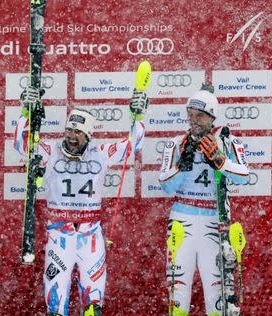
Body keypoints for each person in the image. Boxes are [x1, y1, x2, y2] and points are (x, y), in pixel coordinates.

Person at [14, 86, 148, 316]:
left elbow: (132, 144)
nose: (72, 136)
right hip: (60, 233)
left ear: (88, 136)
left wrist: (139, 114)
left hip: (90, 234)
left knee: (94, 303)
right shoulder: (50, 150)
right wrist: (25, 111)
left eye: (78, 132)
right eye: (69, 130)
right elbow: (22, 144)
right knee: (55, 301)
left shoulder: (100, 153)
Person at [158, 85, 249, 316]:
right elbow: (166, 185)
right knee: (177, 294)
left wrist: (220, 160)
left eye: (199, 115)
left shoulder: (228, 141)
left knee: (216, 295)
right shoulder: (177, 143)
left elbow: (244, 177)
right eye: (190, 115)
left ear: (211, 117)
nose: (194, 120)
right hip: (181, 221)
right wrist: (182, 166)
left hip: (214, 222)